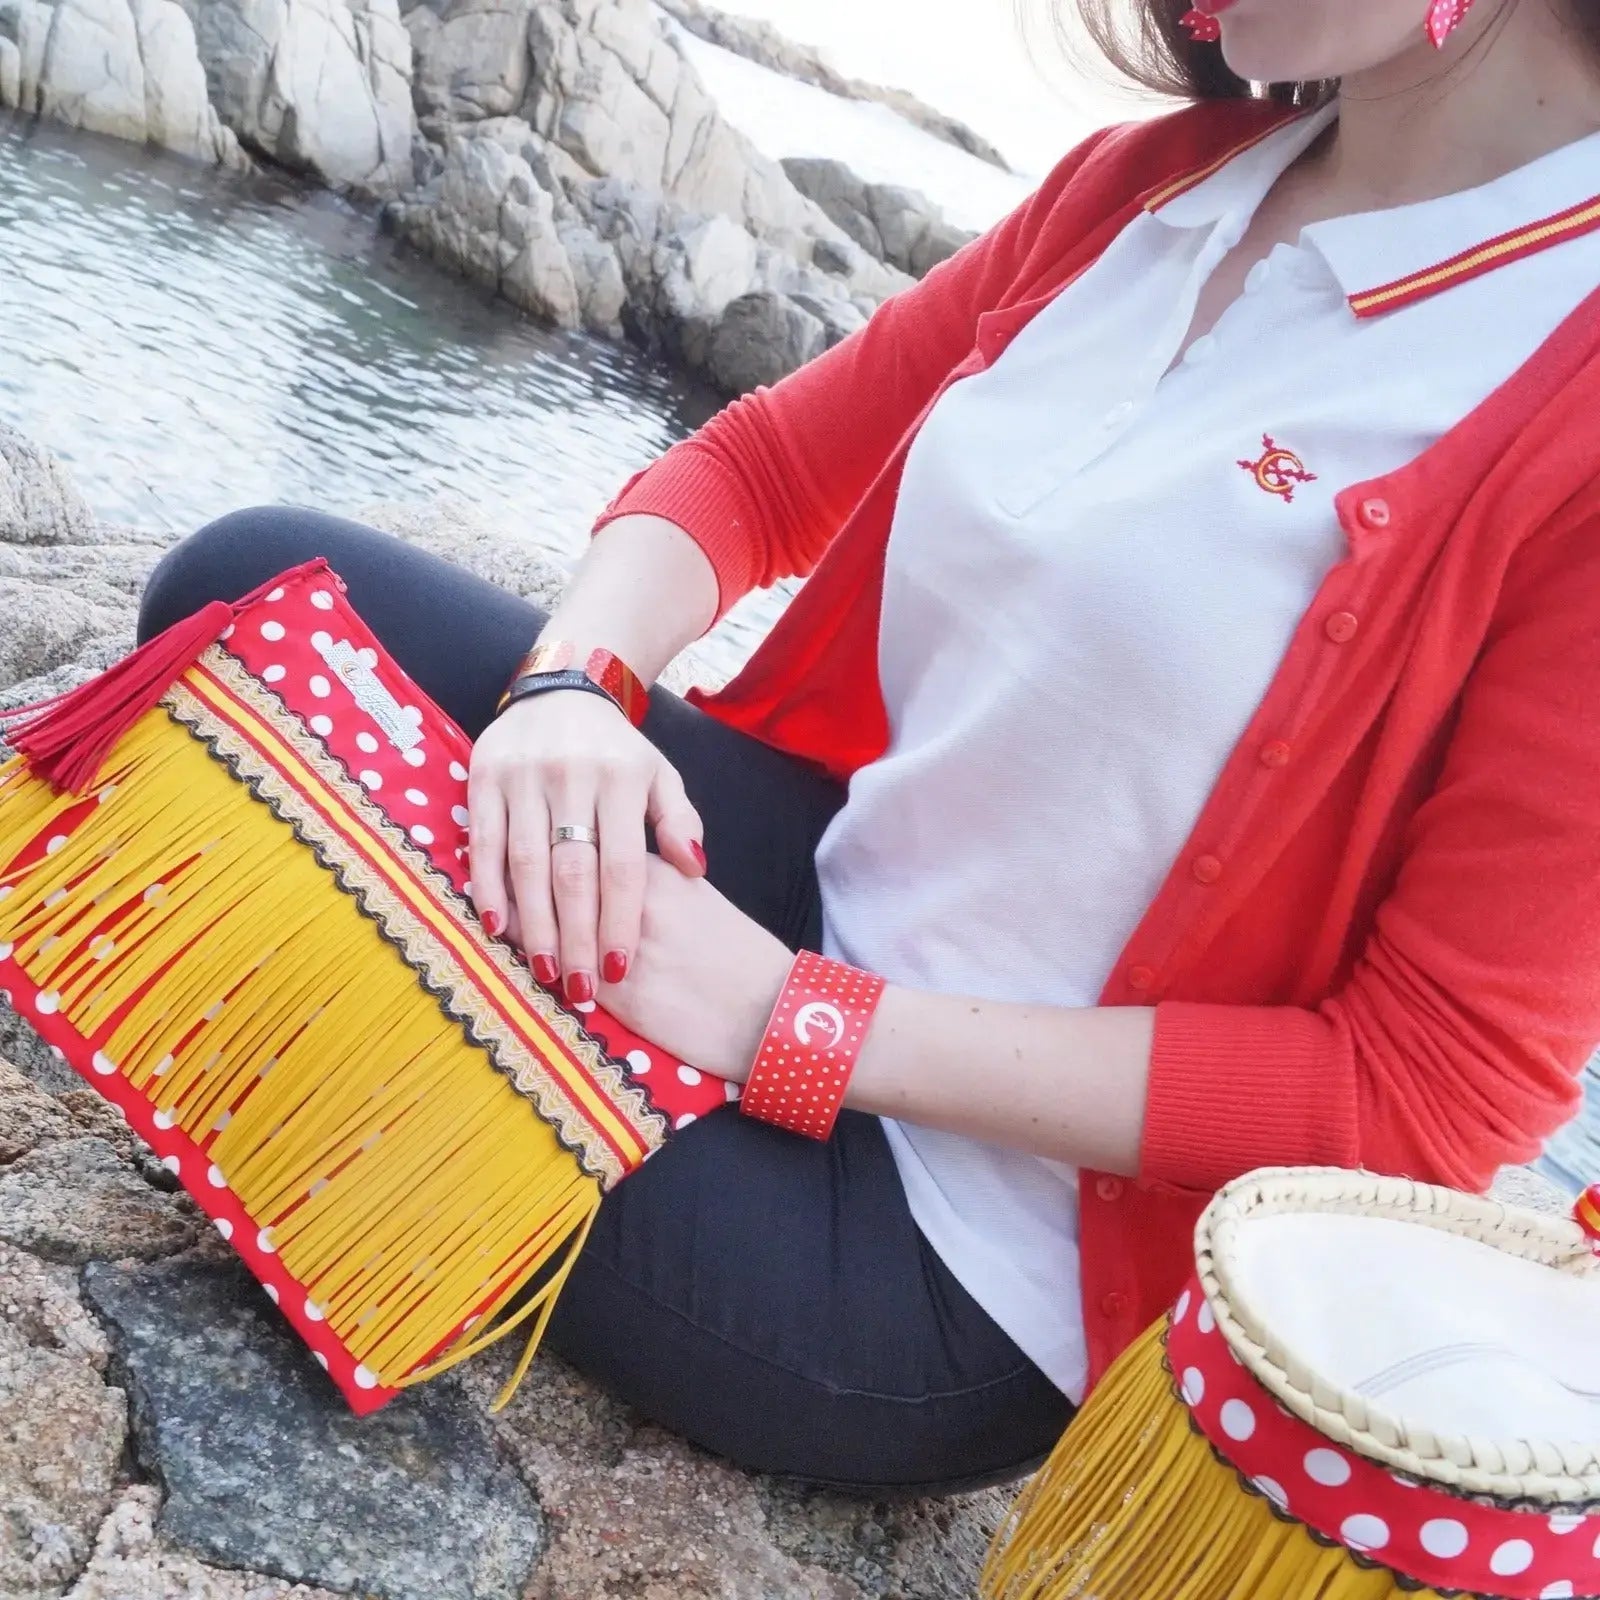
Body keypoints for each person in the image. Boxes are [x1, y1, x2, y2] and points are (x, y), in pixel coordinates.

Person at [137, 0, 1600, 1496]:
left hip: (951, 1250)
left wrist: (792, 1017)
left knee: (261, 935)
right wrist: (574, 686)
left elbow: (1419, 1095)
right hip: (796, 889)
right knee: (250, 599)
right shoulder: (1160, 181)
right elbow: (760, 472)